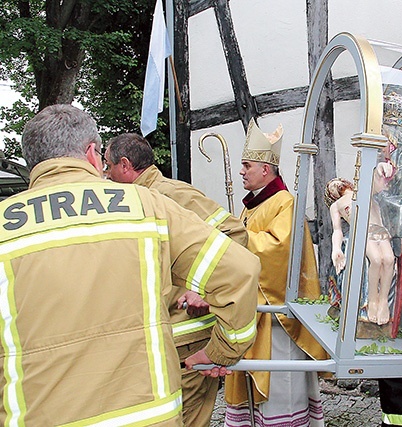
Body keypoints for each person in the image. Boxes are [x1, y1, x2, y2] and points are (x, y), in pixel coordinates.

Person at [0, 104, 260, 425]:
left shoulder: (5, 227)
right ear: (92, 154)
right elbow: (239, 272)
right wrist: (225, 350)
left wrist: (200, 298)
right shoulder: (145, 206)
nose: (106, 172)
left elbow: (233, 236)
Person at [104, 133, 248, 427]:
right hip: (165, 337)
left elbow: (235, 233)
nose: (105, 175)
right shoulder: (136, 199)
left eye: (107, 166)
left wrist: (202, 291)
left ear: (125, 165)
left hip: (188, 339)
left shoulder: (170, 193)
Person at [224, 118, 328, 427]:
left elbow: (278, 251)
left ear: (265, 170)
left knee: (283, 384)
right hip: (253, 312)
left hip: (277, 317)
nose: (241, 171)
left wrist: (233, 237)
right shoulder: (252, 206)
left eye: (246, 165)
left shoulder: (285, 202)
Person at [326, 163, 395, 325]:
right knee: (376, 260)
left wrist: (378, 170)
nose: (336, 185)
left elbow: (373, 184)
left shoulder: (362, 191)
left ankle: (383, 301)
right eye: (331, 187)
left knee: (389, 259)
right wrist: (336, 248)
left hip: (380, 229)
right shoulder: (336, 206)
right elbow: (337, 230)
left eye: (337, 182)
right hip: (363, 230)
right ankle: (372, 300)